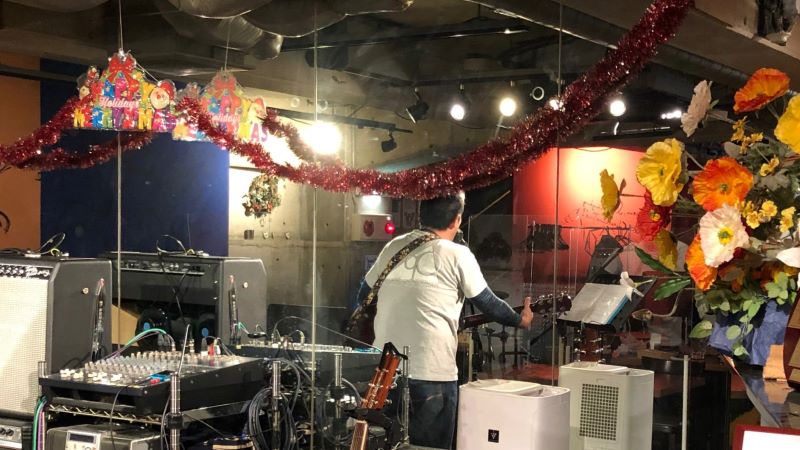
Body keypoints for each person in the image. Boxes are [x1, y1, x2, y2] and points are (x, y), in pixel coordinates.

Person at [354, 192, 533, 449]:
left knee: (387, 445)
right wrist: (521, 320)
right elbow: (489, 303)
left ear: (421, 215)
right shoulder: (457, 255)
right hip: (432, 372)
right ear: (457, 220)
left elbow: (364, 296)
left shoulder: (394, 246)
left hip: (385, 372)